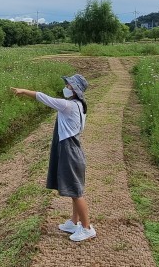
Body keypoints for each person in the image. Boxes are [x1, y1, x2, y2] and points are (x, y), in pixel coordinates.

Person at [10, 73, 95, 242]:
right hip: (72, 149)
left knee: (77, 192)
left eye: (69, 86)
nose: (66, 87)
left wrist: (24, 91)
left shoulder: (67, 106)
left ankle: (87, 228)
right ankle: (74, 222)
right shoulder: (78, 105)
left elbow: (44, 98)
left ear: (75, 90)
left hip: (69, 151)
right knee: (73, 189)